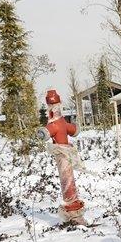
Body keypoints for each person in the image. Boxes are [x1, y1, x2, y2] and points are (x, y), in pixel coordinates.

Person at [43, 89, 86, 224]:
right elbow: (72, 129)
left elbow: (71, 129)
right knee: (67, 179)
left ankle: (73, 211)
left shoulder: (56, 123)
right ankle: (72, 212)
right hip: (62, 152)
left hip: (63, 153)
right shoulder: (57, 123)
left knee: (67, 178)